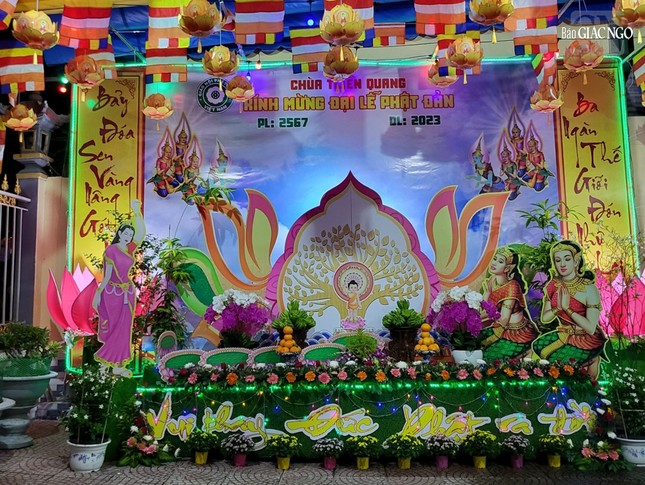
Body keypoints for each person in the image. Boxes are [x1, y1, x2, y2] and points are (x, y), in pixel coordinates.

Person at [531, 240, 607, 379]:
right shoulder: (553, 285)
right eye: (558, 260)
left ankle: (590, 367)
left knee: (560, 361)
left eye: (567, 259)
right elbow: (545, 318)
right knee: (538, 347)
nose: (562, 264)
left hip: (586, 339)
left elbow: (590, 328)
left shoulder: (589, 289)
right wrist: (558, 308)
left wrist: (567, 309)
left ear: (576, 261)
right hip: (563, 335)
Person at [92, 200, 145, 374]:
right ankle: (106, 362)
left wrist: (137, 212)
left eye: (130, 234)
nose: (128, 236)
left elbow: (141, 234)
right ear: (120, 233)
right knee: (114, 326)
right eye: (126, 233)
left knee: (124, 328)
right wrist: (98, 293)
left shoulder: (129, 249)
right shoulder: (111, 250)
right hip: (112, 293)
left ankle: (118, 365)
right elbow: (107, 275)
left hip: (127, 292)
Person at [480, 247, 539, 361]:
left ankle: (526, 351)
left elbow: (503, 319)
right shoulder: (493, 280)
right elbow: (485, 309)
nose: (494, 263)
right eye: (495, 259)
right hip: (498, 327)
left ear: (507, 268)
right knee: (471, 343)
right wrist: (487, 292)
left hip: (516, 334)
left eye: (500, 261)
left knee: (488, 356)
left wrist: (478, 319)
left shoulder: (512, 287)